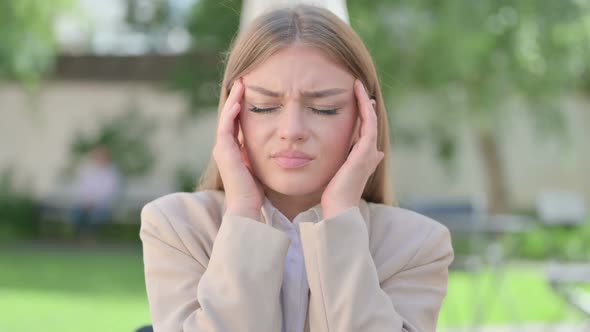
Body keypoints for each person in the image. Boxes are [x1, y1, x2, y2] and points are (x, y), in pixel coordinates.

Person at [139, 4, 454, 332]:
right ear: (233, 116)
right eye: (264, 107)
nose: (291, 130)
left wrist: (340, 217)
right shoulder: (177, 228)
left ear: (364, 122)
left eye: (324, 109)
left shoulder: (416, 245)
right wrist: (243, 214)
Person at [71, 145, 121, 243]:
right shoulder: (87, 171)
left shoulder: (112, 173)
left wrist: (95, 202)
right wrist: (87, 201)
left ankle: (91, 239)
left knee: (96, 215)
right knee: (77, 213)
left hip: (103, 205)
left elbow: (110, 192)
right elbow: (83, 188)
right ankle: (81, 239)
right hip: (85, 203)